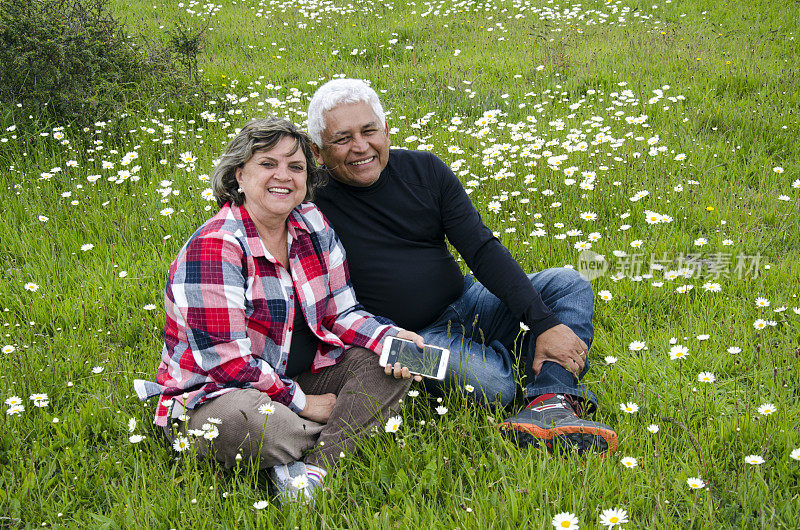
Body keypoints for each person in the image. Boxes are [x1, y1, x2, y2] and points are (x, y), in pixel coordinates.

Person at [307, 79, 618, 455]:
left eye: (369, 130)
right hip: (400, 339)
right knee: (494, 387)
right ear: (318, 151)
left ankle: (549, 398)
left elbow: (482, 249)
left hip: (467, 299)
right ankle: (540, 368)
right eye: (342, 138)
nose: (360, 147)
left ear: (386, 131)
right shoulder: (306, 200)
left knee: (568, 284)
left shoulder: (424, 170)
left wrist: (545, 323)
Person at [134, 117, 424, 502]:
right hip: (220, 394)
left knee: (390, 365)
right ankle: (340, 429)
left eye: (296, 166)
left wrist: (389, 337)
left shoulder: (312, 224)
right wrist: (305, 404)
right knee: (250, 423)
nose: (283, 176)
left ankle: (316, 468)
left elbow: (341, 312)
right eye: (268, 164)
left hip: (299, 375)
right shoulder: (216, 246)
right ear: (239, 175)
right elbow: (228, 366)